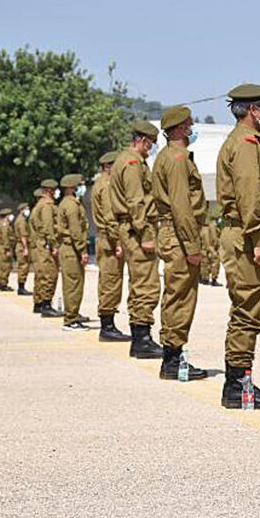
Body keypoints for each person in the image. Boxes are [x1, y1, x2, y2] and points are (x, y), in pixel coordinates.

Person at [216, 83, 260, 409]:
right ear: (253, 109)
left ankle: (238, 381)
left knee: (247, 310)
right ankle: (238, 386)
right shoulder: (244, 145)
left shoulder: (243, 143)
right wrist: (258, 237)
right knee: (247, 311)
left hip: (243, 233)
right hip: (246, 236)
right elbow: (248, 195)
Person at [152, 106, 210, 380]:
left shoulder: (168, 156)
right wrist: (193, 247)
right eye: (188, 123)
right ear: (178, 128)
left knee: (175, 295)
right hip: (179, 234)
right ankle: (173, 359)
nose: (192, 127)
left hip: (173, 233)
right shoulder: (176, 159)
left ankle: (172, 356)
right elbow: (182, 207)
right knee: (181, 296)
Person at [110, 121, 163, 359]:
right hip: (137, 230)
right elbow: (136, 201)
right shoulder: (132, 163)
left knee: (139, 283)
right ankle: (142, 340)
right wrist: (147, 235)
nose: (150, 149)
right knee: (146, 285)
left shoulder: (126, 161)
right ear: (142, 140)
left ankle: (140, 337)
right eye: (150, 144)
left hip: (132, 228)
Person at [92, 151, 131, 342]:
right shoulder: (107, 185)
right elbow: (110, 216)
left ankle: (108, 324)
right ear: (109, 166)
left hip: (106, 239)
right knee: (111, 282)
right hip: (110, 242)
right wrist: (117, 242)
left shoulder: (100, 183)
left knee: (108, 281)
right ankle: (107, 327)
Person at [56, 174, 90, 331]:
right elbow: (75, 231)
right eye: (78, 186)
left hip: (70, 248)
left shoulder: (69, 203)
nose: (81, 188)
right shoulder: (70, 205)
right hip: (72, 249)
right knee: (73, 284)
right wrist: (82, 249)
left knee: (73, 283)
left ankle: (73, 315)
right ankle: (71, 320)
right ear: (71, 187)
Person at [31, 180, 64, 317]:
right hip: (46, 246)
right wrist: (54, 245)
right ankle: (46, 305)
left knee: (41, 274)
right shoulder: (47, 206)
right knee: (50, 274)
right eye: (55, 189)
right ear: (50, 190)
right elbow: (48, 227)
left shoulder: (39, 205)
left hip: (40, 244)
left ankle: (39, 304)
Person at [13, 202, 33, 296]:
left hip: (21, 245)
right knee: (23, 267)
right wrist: (25, 248)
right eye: (27, 208)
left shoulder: (21, 219)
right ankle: (21, 288)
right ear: (22, 210)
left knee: (23, 266)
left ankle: (21, 287)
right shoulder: (21, 221)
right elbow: (23, 236)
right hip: (22, 245)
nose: (28, 210)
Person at [0, 209, 14, 291]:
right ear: (7, 216)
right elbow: (5, 237)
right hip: (3, 247)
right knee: (5, 265)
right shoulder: (5, 225)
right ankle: (3, 283)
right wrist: (7, 249)